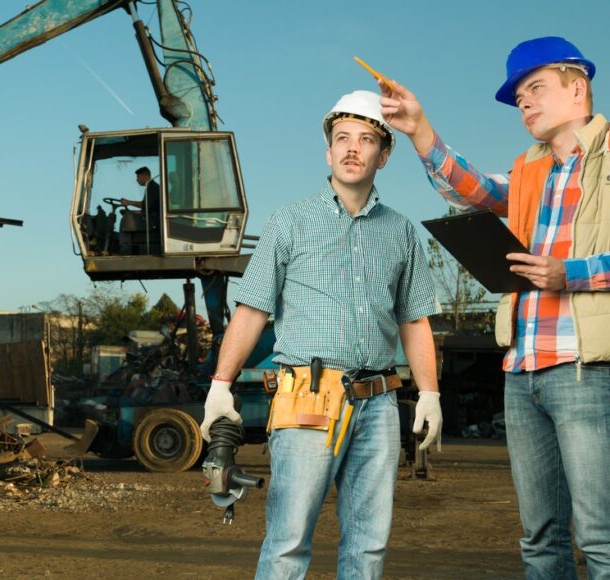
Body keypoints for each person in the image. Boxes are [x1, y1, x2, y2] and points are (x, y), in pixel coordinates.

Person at [379, 36, 610, 577]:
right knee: (540, 538)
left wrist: (570, 274)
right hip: (522, 371)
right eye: (517, 96)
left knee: (601, 537)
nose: (524, 102)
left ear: (577, 88)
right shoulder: (529, 168)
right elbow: (476, 191)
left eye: (535, 88)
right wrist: (420, 131)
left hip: (587, 372)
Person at [200, 90, 443, 579]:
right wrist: (220, 385)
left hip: (378, 405)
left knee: (369, 546)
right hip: (308, 396)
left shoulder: (401, 232)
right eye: (342, 138)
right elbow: (251, 311)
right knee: (289, 542)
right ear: (328, 150)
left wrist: (431, 393)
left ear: (384, 153)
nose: (353, 148)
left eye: (366, 139)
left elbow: (414, 320)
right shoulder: (291, 221)